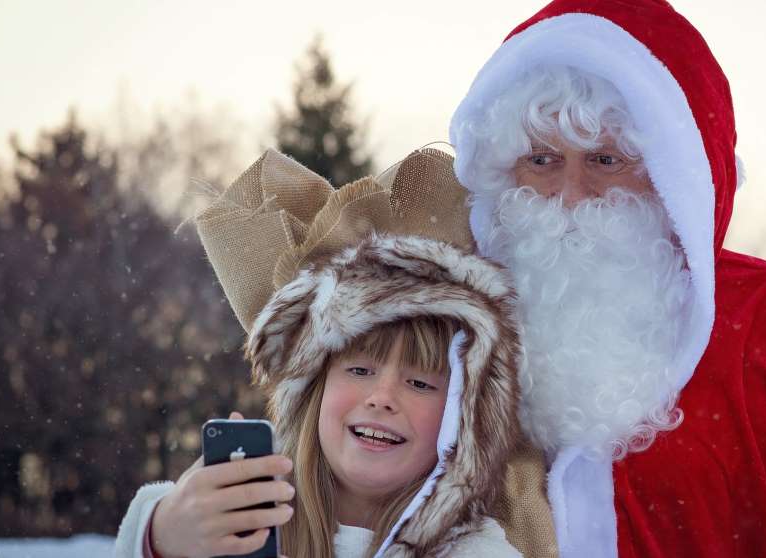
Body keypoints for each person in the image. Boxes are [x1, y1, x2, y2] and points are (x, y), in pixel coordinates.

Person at [446, 1, 766, 557]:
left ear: (672, 174)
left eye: (606, 160)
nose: (570, 195)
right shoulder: (435, 331)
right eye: (541, 160)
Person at [114, 150, 524, 557]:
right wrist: (162, 537)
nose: (381, 397)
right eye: (361, 370)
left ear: (462, 417)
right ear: (313, 386)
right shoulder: (235, 525)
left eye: (419, 383)